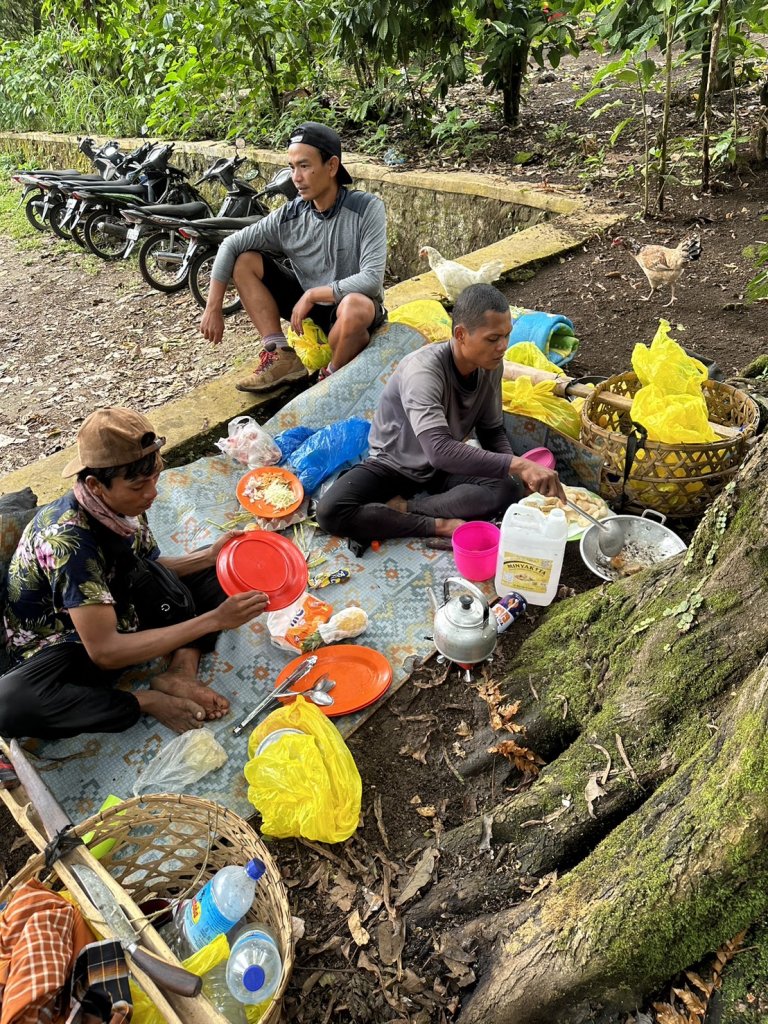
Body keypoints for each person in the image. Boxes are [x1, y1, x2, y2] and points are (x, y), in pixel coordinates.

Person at [0, 408, 267, 740]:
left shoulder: (123, 508)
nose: (153, 493)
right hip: (67, 643)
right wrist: (214, 620)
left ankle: (180, 672)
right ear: (96, 485)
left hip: (117, 604)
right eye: (139, 485)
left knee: (229, 567)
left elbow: (148, 568)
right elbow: (106, 652)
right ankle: (145, 699)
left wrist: (211, 557)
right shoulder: (67, 542)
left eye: (155, 478)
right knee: (10, 705)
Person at [316, 284, 566, 544]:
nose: (503, 347)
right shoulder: (423, 372)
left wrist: (515, 472)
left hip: (443, 466)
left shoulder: (490, 365)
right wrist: (519, 464)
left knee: (508, 489)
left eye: (507, 336)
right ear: (461, 334)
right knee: (330, 512)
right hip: (395, 464)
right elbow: (438, 448)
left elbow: (490, 430)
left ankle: (404, 508)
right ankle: (437, 524)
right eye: (493, 339)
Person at [200, 122, 388, 392]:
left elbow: (371, 280)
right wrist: (213, 307)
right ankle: (282, 356)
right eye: (291, 167)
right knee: (245, 261)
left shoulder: (366, 208)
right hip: (309, 316)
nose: (295, 177)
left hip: (350, 315)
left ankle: (329, 376)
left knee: (354, 306)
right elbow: (230, 244)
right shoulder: (290, 215)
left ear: (332, 166)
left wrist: (312, 295)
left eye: (304, 166)